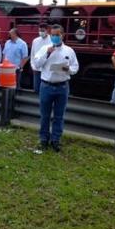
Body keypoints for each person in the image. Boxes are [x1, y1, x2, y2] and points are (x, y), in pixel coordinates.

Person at [32, 24, 79, 152]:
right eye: (52, 35)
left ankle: (55, 140)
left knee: (59, 116)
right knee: (45, 115)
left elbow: (75, 67)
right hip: (46, 86)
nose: (54, 37)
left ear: (62, 35)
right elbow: (36, 64)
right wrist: (47, 54)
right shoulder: (44, 48)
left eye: (57, 35)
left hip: (62, 87)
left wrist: (68, 69)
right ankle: (43, 140)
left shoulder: (69, 50)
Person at [30, 23, 52, 93]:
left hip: (47, 69)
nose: (41, 32)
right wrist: (33, 66)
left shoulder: (51, 40)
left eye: (42, 30)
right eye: (39, 30)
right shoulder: (35, 41)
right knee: (36, 89)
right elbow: (32, 54)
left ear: (47, 30)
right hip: (37, 69)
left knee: (46, 90)